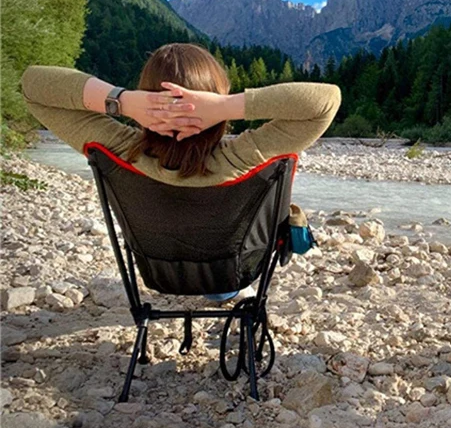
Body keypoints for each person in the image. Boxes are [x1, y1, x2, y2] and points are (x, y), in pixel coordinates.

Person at [21, 43, 341, 300]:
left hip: (157, 274)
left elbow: (33, 86)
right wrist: (226, 105)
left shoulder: (118, 150)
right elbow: (326, 101)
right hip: (231, 275)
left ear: (146, 98)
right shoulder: (241, 158)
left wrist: (122, 101)